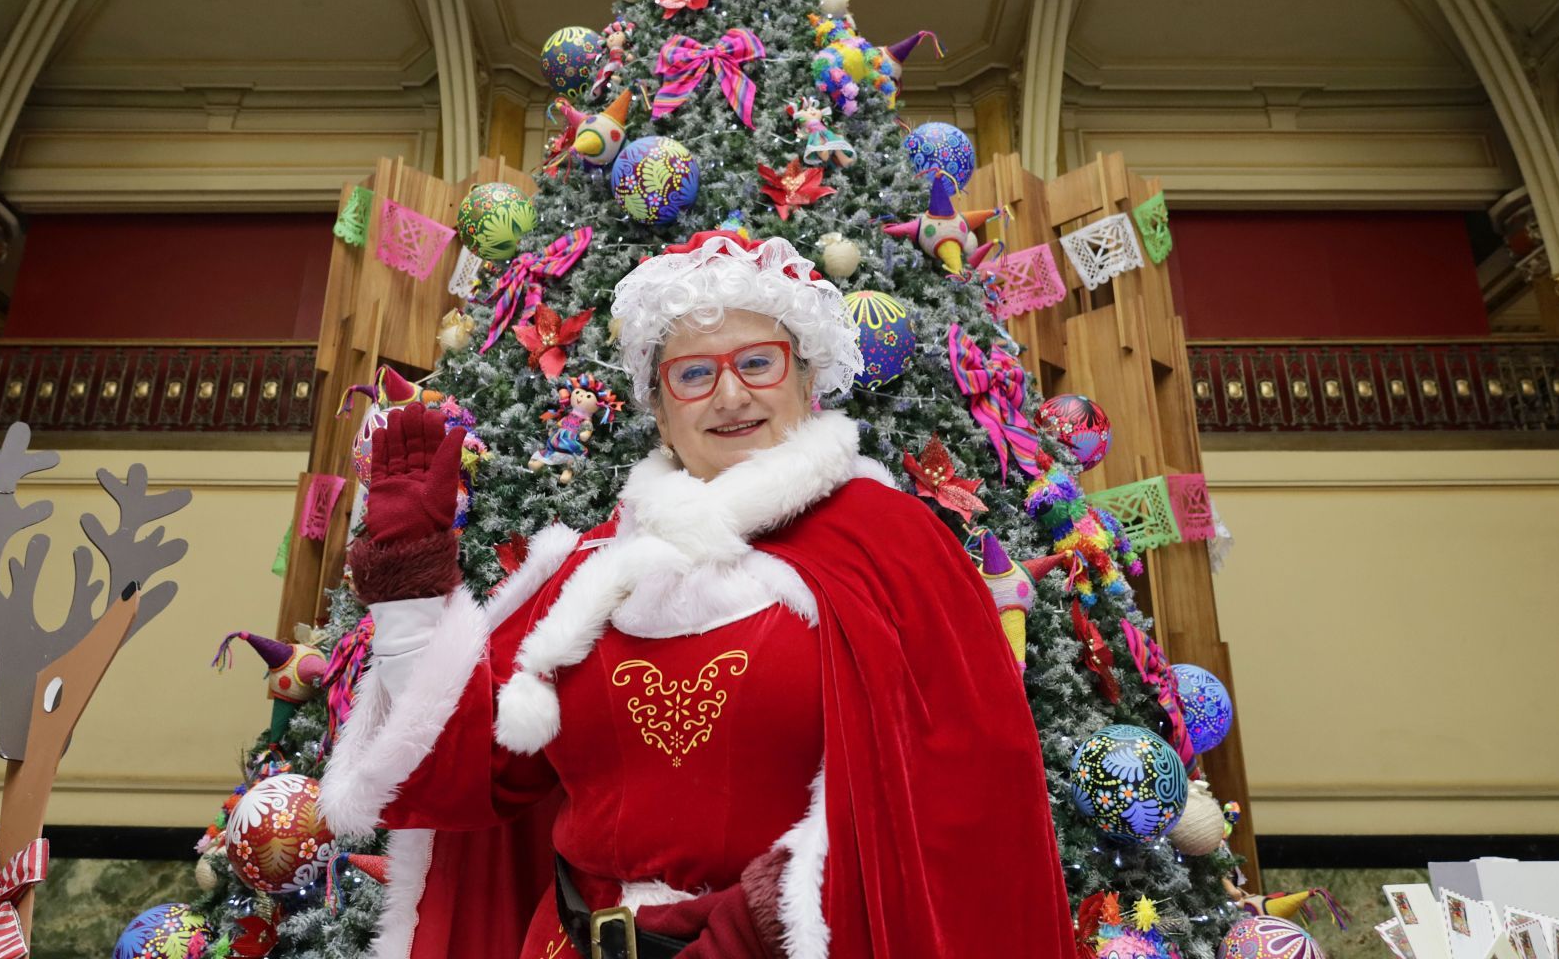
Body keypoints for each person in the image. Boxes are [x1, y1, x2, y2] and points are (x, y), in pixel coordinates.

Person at [320, 231, 1074, 959]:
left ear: (806, 380)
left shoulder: (892, 546)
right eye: (694, 373)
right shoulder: (594, 572)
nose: (730, 394)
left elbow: (958, 798)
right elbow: (464, 773)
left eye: (757, 362)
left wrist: (767, 919)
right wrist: (411, 590)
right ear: (659, 406)